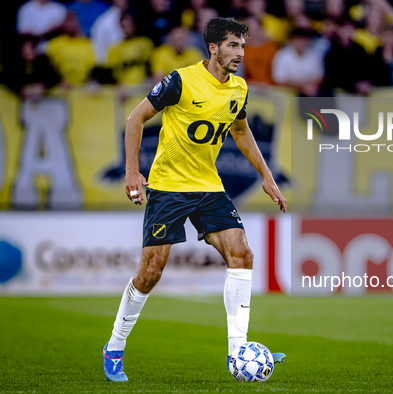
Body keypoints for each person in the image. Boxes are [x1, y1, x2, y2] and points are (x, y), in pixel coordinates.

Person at [101, 17, 287, 382]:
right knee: (151, 272)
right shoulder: (181, 80)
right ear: (213, 47)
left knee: (242, 254)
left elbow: (240, 128)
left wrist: (267, 175)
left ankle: (239, 351)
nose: (240, 54)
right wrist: (131, 171)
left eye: (243, 47)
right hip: (169, 186)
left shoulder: (239, 89)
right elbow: (135, 118)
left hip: (208, 187)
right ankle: (115, 346)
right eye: (233, 45)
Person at [45, 11, 95, 85]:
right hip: (59, 87)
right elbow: (48, 70)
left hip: (83, 86)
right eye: (68, 21)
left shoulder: (88, 44)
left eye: (74, 21)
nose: (71, 24)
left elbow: (93, 68)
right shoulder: (53, 45)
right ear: (63, 23)